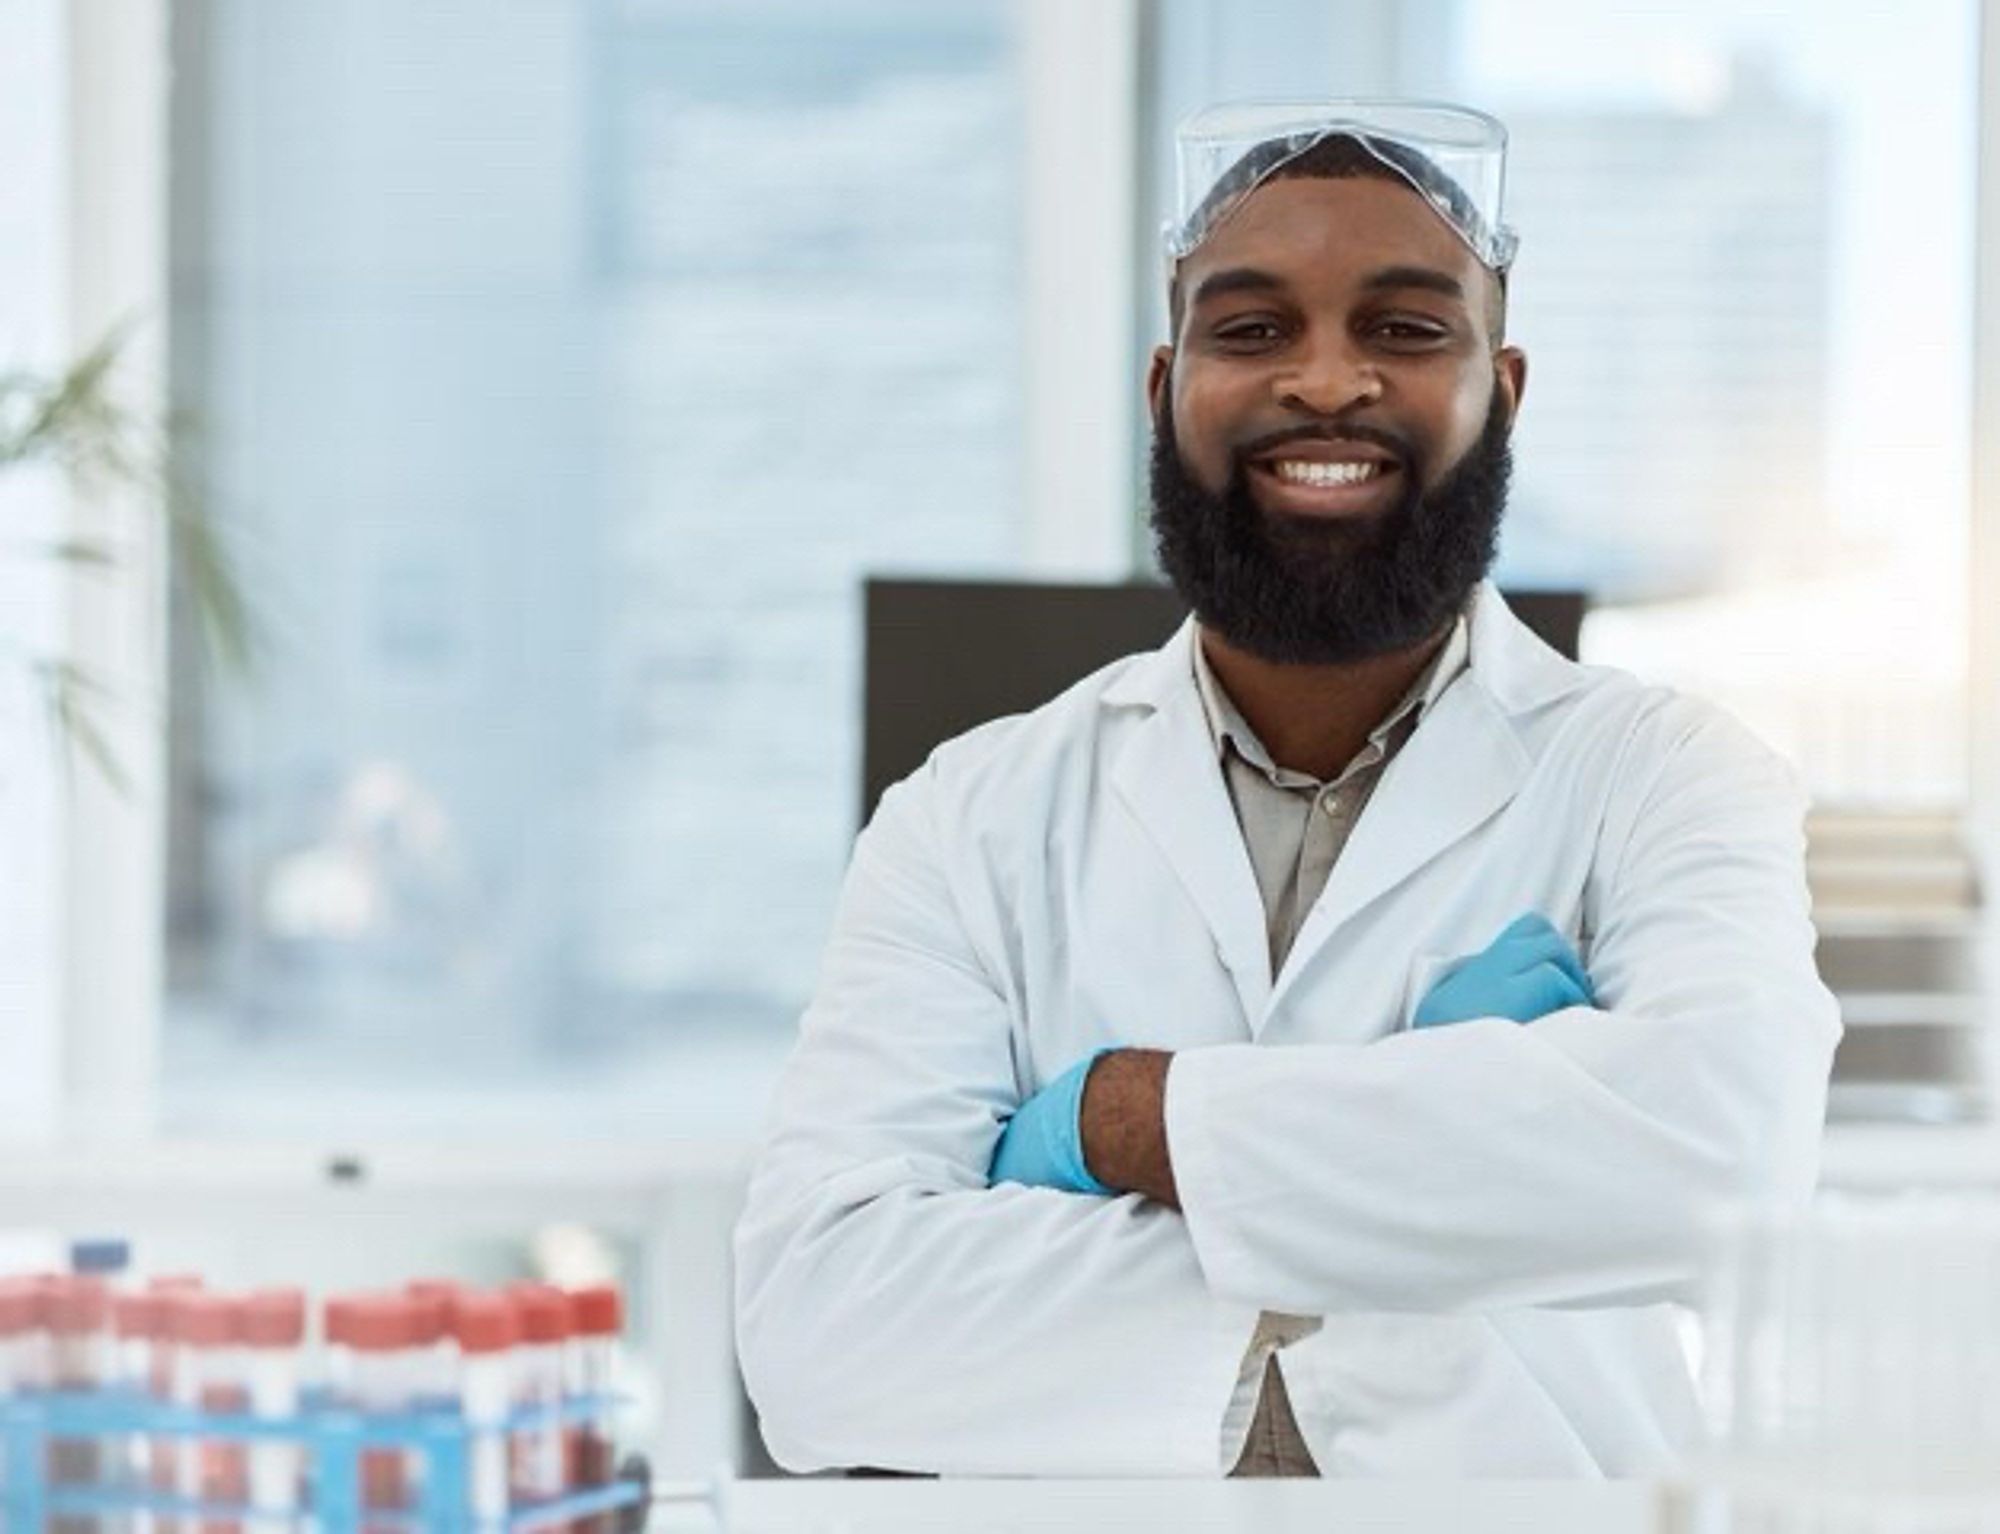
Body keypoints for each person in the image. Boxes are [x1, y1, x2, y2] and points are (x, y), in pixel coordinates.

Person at [733, 100, 1839, 1478]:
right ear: (1165, 389)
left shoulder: (1666, 774)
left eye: (1405, 328)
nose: (1326, 381)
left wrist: (1124, 1115)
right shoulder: (968, 815)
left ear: (1502, 386)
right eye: (1253, 328)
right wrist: (1450, 1189)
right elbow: (820, 1327)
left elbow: (1725, 1165)